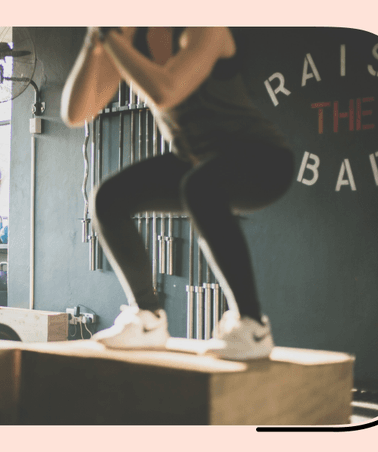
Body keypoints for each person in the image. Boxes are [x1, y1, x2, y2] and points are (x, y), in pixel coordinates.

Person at [61, 27, 294, 360]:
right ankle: (147, 319)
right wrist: (93, 40)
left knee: (200, 186)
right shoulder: (129, 42)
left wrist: (111, 38)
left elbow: (165, 91)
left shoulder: (203, 25)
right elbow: (75, 113)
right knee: (109, 198)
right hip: (197, 163)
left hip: (262, 158)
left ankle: (253, 326)